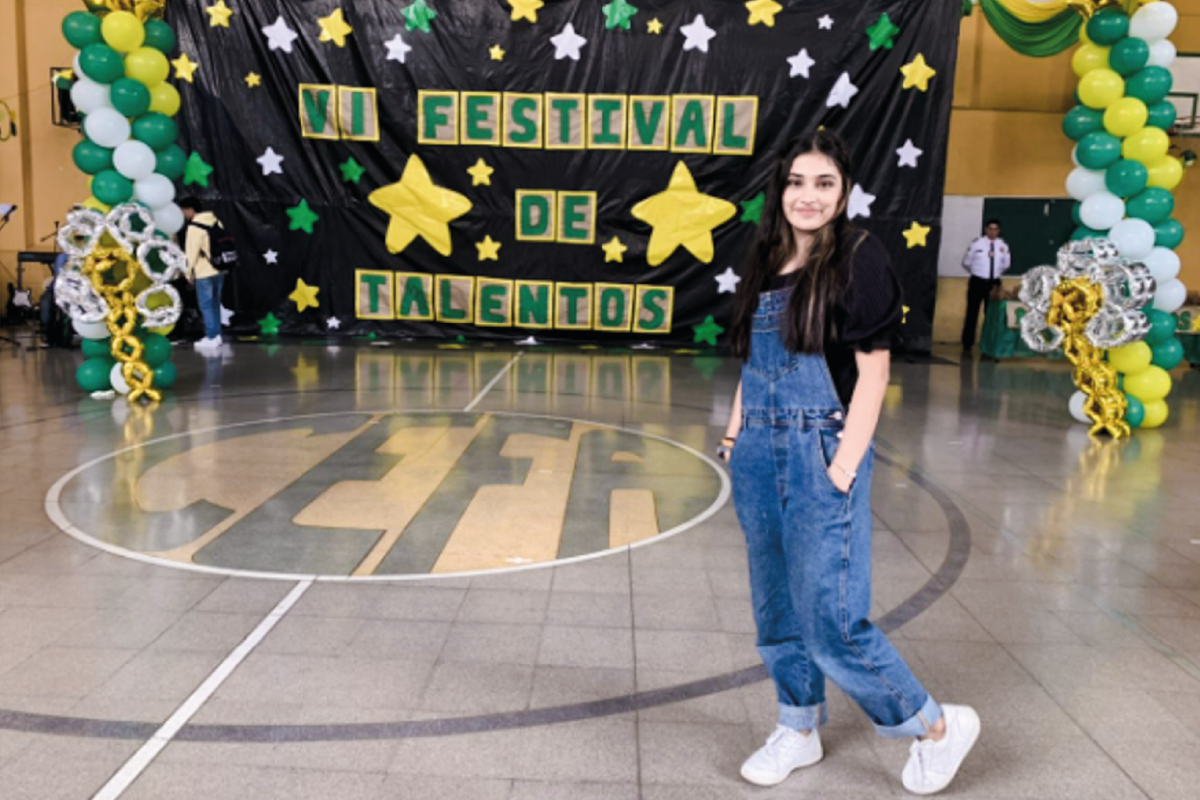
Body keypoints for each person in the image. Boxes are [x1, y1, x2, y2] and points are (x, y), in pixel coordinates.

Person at [717, 130, 979, 796]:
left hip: (819, 450)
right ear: (780, 190)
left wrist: (843, 467)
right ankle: (798, 728)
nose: (807, 196)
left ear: (844, 190)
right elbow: (753, 362)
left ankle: (934, 725)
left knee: (831, 619)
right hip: (756, 454)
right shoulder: (764, 255)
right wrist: (734, 434)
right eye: (796, 182)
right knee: (775, 609)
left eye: (823, 183)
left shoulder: (859, 257)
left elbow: (873, 373)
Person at [180, 197, 226, 350]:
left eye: (184, 210)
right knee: (215, 304)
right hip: (220, 268)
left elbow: (191, 253)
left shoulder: (194, 227)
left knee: (206, 305)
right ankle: (217, 335)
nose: (183, 214)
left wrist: (188, 274)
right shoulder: (215, 220)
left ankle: (211, 336)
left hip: (203, 272)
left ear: (190, 210)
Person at [960, 219, 1010, 355]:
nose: (993, 231)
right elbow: (966, 262)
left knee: (992, 315)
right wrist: (978, 272)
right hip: (978, 281)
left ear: (998, 231)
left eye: (995, 229)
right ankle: (967, 344)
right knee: (972, 313)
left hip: (993, 283)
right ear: (986, 230)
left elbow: (1006, 264)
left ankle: (989, 345)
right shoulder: (977, 244)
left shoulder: (1003, 246)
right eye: (990, 229)